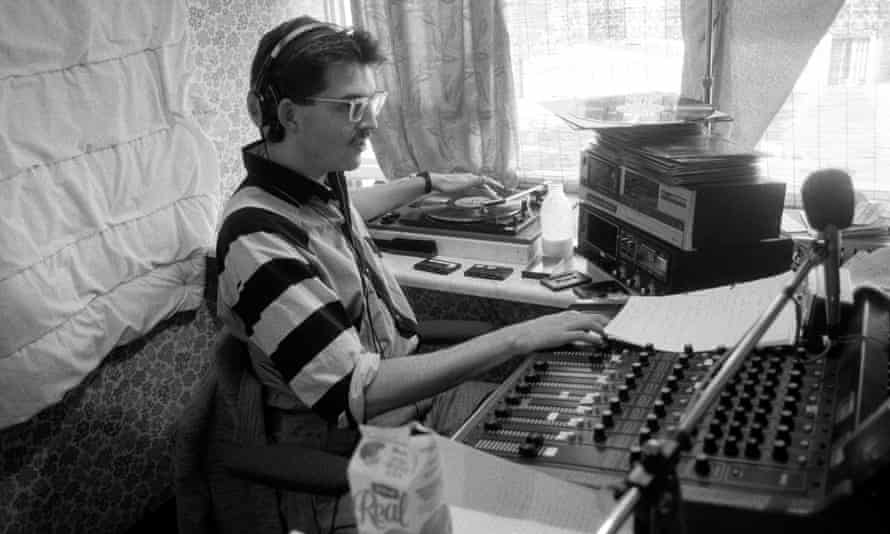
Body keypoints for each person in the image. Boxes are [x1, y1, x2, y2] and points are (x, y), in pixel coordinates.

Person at [214, 15, 609, 532]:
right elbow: (356, 390)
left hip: (411, 413)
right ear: (289, 114)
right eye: (353, 107)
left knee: (583, 460)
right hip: (357, 454)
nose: (372, 123)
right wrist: (518, 338)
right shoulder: (256, 239)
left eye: (372, 103)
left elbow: (352, 211)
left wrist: (427, 182)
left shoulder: (310, 186)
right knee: (558, 515)